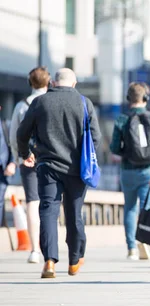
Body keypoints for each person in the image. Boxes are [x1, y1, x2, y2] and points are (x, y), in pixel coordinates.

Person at [17, 68, 101, 278]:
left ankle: (49, 261)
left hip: (47, 167)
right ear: (74, 83)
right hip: (76, 169)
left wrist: (26, 153)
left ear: (53, 83)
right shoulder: (84, 103)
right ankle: (74, 260)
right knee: (74, 214)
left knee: (47, 211)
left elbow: (22, 133)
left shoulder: (40, 102)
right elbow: (96, 137)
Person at [110, 82, 150, 260]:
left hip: (128, 170)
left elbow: (114, 147)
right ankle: (142, 240)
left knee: (129, 208)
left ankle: (131, 249)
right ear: (146, 98)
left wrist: (127, 153)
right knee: (146, 207)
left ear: (129, 99)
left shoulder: (122, 119)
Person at [9, 66, 50, 264]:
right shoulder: (52, 102)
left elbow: (14, 135)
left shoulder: (21, 105)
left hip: (28, 160)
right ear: (48, 82)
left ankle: (35, 250)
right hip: (50, 159)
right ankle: (50, 247)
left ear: (29, 82)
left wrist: (19, 157)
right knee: (51, 202)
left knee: (33, 202)